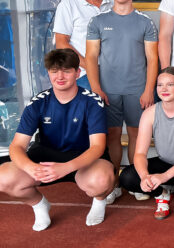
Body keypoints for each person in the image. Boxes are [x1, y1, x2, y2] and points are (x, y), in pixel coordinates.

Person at [0, 49, 114, 230]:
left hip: (83, 158)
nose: (60, 76)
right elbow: (17, 146)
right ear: (48, 73)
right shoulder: (37, 103)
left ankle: (99, 202)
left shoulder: (92, 102)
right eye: (54, 71)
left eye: (67, 71)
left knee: (102, 179)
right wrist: (31, 167)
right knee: (4, 178)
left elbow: (97, 147)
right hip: (46, 157)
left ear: (77, 73)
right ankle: (39, 206)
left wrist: (66, 167)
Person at [85, 0, 159, 203]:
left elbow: (153, 59)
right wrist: (96, 88)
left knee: (138, 135)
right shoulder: (98, 21)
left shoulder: (145, 22)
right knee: (112, 135)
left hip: (137, 89)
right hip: (108, 90)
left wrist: (149, 90)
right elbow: (90, 57)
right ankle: (114, 182)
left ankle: (136, 180)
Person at [118, 67, 174, 220]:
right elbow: (140, 153)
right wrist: (145, 176)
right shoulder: (150, 113)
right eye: (160, 85)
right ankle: (162, 195)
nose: (164, 89)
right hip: (165, 163)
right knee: (127, 177)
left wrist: (164, 177)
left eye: (170, 85)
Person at [53, 0, 113, 90]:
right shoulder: (68, 5)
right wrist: (91, 67)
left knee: (115, 110)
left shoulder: (115, 2)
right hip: (84, 75)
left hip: (115, 74)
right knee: (89, 109)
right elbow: (61, 43)